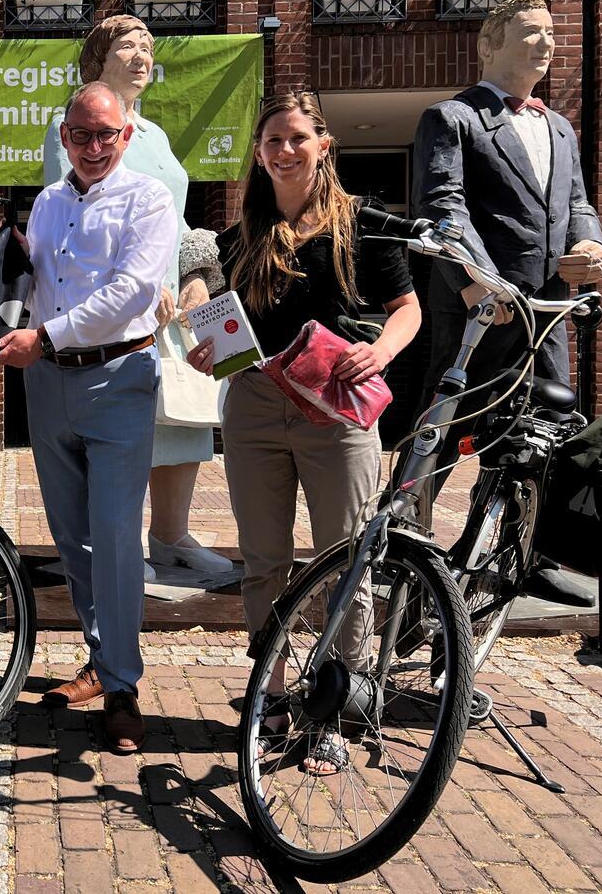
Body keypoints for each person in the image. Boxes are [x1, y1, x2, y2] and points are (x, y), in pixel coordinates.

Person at [189, 91, 421, 774]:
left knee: (345, 561)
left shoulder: (366, 224)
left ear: (324, 145)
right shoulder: (244, 236)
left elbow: (404, 310)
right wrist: (210, 353)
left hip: (339, 408)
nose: (284, 151)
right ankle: (278, 695)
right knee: (263, 561)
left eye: (297, 138)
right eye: (272, 142)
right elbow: (233, 335)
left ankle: (338, 709)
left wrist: (381, 350)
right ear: (259, 155)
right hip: (257, 407)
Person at [0, 81, 180, 754]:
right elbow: (36, 285)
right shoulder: (46, 202)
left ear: (126, 135)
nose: (94, 146)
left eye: (106, 133)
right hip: (49, 386)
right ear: (64, 137)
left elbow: (132, 289)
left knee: (114, 535)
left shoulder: (148, 199)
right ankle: (102, 661)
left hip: (118, 376)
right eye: (82, 134)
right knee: (73, 539)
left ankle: (124, 684)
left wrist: (44, 337)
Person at [411, 0, 602, 606]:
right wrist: (485, 283)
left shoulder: (559, 126)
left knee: (545, 434)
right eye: (529, 32)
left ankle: (529, 554)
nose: (546, 43)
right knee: (446, 428)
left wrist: (589, 245)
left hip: (549, 312)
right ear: (489, 45)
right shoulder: (452, 119)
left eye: (550, 33)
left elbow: (575, 202)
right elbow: (444, 208)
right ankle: (405, 540)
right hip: (480, 307)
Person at [42, 16, 232, 582]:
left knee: (184, 418)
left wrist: (197, 272)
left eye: (148, 47)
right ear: (98, 60)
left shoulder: (156, 137)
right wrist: (136, 287)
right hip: (121, 308)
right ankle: (118, 546)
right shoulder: (73, 129)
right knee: (131, 426)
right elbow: (75, 224)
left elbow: (175, 219)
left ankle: (171, 535)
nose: (142, 57)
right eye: (128, 46)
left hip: (176, 305)